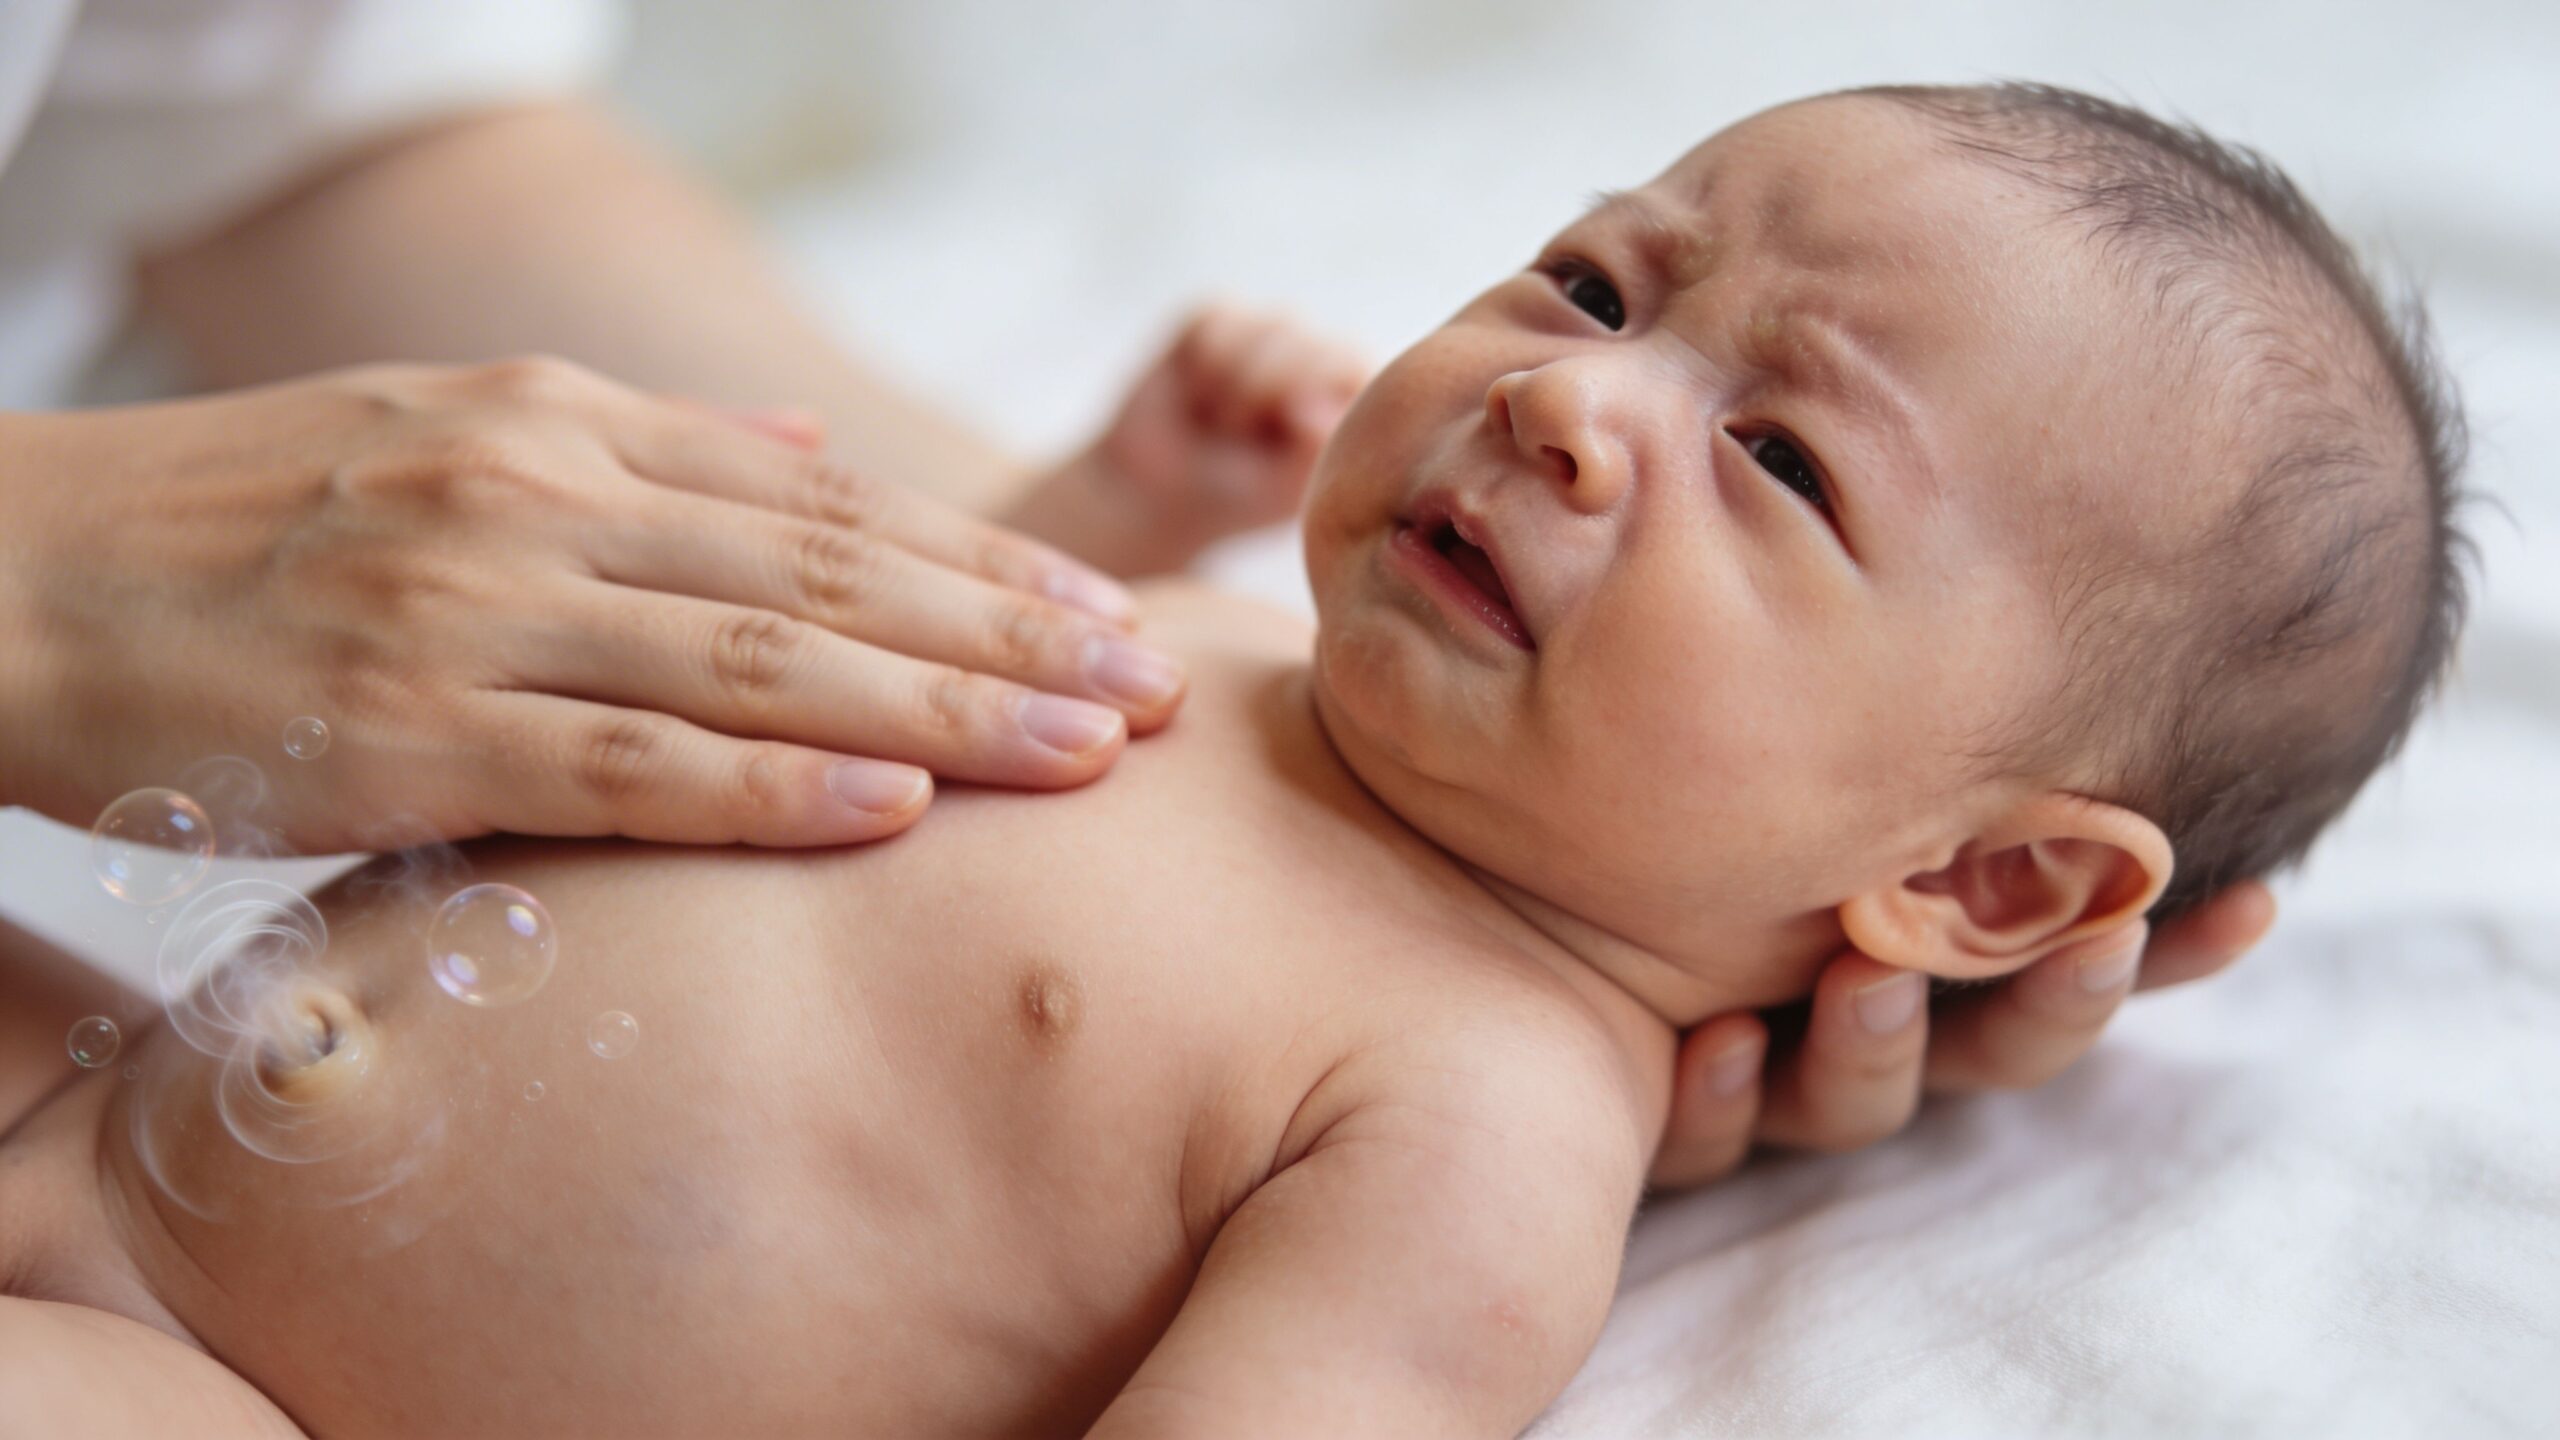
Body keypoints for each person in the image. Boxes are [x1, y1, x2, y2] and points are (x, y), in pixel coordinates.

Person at [0, 83, 2437, 1436]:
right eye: (1599, 285)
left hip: (232, 1386)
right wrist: (1083, 512)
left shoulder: (1477, 1114)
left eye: (1784, 467)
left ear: (1986, 888)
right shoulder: (1209, 643)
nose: (1566, 399)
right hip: (114, 1047)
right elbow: (860, 686)